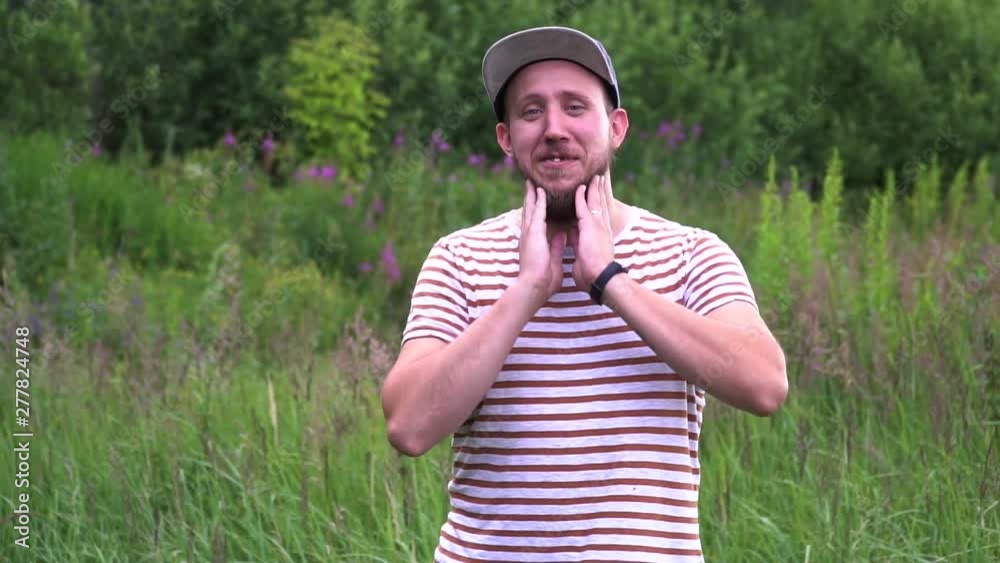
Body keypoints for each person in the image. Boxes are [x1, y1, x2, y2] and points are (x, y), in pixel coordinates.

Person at [380, 26, 788, 563]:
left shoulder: (692, 253)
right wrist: (527, 290)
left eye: (575, 107)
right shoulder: (459, 257)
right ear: (506, 138)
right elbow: (409, 426)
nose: (554, 129)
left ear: (616, 127)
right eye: (531, 112)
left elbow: (764, 385)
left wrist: (610, 280)